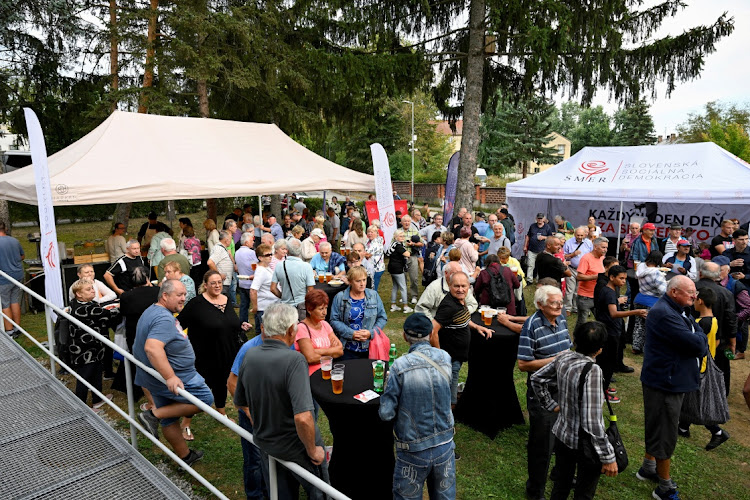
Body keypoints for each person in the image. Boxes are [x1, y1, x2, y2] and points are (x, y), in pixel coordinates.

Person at [233, 303, 330, 498]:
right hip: (295, 447)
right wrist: (313, 450)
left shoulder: (250, 355)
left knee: (280, 494)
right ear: (290, 331)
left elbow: (240, 401)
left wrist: (261, 423)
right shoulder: (294, 360)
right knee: (320, 492)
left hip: (266, 444)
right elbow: (303, 418)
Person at [637, 276, 707, 500]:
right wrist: (699, 338)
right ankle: (664, 487)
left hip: (669, 378)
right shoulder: (665, 313)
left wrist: (698, 336)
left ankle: (648, 467)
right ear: (674, 292)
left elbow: (697, 334)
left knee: (659, 424)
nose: (694, 296)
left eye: (694, 291)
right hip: (665, 382)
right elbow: (698, 344)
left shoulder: (678, 308)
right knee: (665, 431)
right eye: (690, 292)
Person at [530, 321, 617, 499]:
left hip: (562, 434)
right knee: (584, 492)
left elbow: (537, 378)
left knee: (561, 485)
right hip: (584, 444)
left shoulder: (564, 356)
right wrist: (608, 456)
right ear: (600, 349)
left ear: (575, 341)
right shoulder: (593, 371)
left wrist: (551, 404)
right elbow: (592, 421)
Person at [135, 280, 213, 466]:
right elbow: (152, 348)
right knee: (205, 400)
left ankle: (186, 457)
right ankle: (152, 415)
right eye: (179, 295)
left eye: (185, 294)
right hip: (175, 378)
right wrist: (170, 376)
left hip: (156, 378)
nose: (183, 298)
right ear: (165, 296)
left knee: (169, 416)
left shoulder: (153, 310)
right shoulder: (163, 318)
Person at [379, 313, 456, 500]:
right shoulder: (445, 358)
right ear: (431, 334)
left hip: (413, 449)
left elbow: (386, 413)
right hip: (445, 445)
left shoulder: (399, 366)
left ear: (405, 337)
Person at [176, 270, 251, 439]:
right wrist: (181, 343)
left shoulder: (226, 299)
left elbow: (228, 322)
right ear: (205, 285)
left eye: (219, 282)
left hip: (228, 351)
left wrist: (240, 325)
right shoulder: (196, 303)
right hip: (205, 354)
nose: (217, 286)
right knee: (200, 388)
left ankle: (221, 412)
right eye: (213, 283)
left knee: (223, 382)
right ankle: (185, 423)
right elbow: (178, 324)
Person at [517, 285, 572, 500]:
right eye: (554, 303)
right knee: (542, 445)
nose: (560, 306)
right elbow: (523, 364)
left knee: (564, 438)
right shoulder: (531, 326)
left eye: (561, 301)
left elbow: (567, 347)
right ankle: (535, 491)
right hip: (543, 393)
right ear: (540, 305)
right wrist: (556, 360)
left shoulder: (561, 318)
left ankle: (559, 474)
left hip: (563, 387)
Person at [677, 287, 730, 450]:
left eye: (695, 298)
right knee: (689, 398)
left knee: (697, 402)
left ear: (700, 301)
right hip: (706, 362)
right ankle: (683, 427)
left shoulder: (700, 323)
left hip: (699, 366)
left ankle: (718, 432)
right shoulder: (713, 320)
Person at [430, 271, 493, 409]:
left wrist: (477, 327)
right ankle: (448, 418)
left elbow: (462, 318)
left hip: (457, 355)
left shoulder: (459, 300)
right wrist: (439, 356)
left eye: (463, 286)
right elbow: (432, 331)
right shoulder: (449, 306)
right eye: (456, 286)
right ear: (449, 286)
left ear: (469, 286)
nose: (460, 289)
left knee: (451, 383)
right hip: (450, 357)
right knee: (449, 388)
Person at [594, 265, 647, 401]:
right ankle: (602, 392)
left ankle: (603, 387)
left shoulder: (611, 290)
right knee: (607, 362)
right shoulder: (609, 292)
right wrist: (635, 312)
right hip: (609, 332)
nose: (623, 281)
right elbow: (614, 313)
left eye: (625, 279)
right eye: (621, 278)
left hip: (612, 330)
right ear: (612, 277)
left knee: (607, 361)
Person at [68, 279, 121, 409]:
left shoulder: (80, 304)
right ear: (79, 294)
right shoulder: (85, 308)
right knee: (85, 376)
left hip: (94, 348)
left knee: (97, 371)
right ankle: (81, 405)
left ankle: (97, 398)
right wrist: (121, 305)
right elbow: (109, 314)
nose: (93, 291)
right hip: (85, 350)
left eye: (92, 288)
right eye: (88, 289)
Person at [116, 266, 159, 404]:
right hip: (155, 332)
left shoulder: (126, 296)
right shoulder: (157, 291)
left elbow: (123, 312)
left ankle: (139, 389)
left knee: (138, 363)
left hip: (135, 334)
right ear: (147, 278)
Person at [694, 261, 736, 396]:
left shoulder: (691, 288)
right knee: (720, 368)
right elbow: (731, 319)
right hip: (719, 340)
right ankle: (720, 394)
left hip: (693, 337)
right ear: (718, 276)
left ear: (700, 273)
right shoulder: (726, 293)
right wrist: (732, 342)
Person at [330, 266, 387, 360]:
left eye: (364, 280)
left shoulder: (373, 295)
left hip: (370, 347)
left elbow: (382, 318)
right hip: (347, 348)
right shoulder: (340, 297)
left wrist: (371, 332)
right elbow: (334, 320)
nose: (362, 284)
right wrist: (351, 333)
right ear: (350, 281)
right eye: (358, 281)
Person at [295, 289, 343, 374]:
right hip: (311, 375)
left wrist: (317, 351)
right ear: (310, 310)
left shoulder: (325, 324)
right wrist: (331, 351)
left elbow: (340, 351)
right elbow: (310, 358)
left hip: (328, 372)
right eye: (321, 309)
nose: (325, 312)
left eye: (326, 308)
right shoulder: (302, 328)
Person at [632, 251, 668, 354]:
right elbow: (663, 290)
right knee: (651, 326)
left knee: (639, 325)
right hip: (652, 302)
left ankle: (636, 346)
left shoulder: (641, 267)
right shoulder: (656, 273)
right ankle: (647, 348)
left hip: (639, 298)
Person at [271, 238, 315, 319]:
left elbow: (273, 288)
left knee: (286, 330)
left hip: (285, 306)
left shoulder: (279, 265)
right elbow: (310, 291)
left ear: (287, 250)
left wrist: (283, 296)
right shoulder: (306, 266)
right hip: (302, 306)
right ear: (300, 250)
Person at [575, 237, 609, 329]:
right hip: (585, 296)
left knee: (601, 319)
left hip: (598, 295)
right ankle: (577, 340)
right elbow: (579, 276)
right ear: (595, 247)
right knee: (582, 322)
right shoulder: (586, 258)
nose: (605, 250)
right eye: (603, 247)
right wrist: (596, 277)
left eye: (606, 247)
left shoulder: (603, 258)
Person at [562, 227, 593, 314]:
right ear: (574, 234)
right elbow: (563, 256)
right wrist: (573, 254)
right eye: (578, 235)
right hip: (571, 269)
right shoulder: (569, 242)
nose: (579, 237)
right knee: (570, 289)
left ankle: (576, 308)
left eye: (581, 235)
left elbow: (592, 255)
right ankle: (567, 308)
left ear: (585, 235)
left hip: (583, 270)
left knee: (579, 290)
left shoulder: (588, 243)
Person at [524, 213, 554, 283]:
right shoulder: (532, 226)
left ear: (544, 219)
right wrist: (525, 246)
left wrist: (544, 237)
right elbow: (528, 236)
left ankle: (539, 280)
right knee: (530, 265)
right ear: (536, 218)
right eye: (538, 218)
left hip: (542, 250)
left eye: (541, 218)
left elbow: (550, 237)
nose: (540, 220)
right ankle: (529, 280)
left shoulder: (547, 227)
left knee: (540, 266)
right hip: (532, 249)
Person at [400, 215, 424, 304]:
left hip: (412, 256)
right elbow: (393, 243)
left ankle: (414, 295)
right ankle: (404, 295)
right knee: (403, 278)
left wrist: (413, 244)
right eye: (405, 221)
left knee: (414, 277)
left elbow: (422, 243)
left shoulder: (415, 231)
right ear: (401, 222)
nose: (407, 223)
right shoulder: (398, 232)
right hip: (401, 257)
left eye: (408, 221)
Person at [236, 232, 258, 323]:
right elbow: (255, 266)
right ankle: (257, 325)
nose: (253, 242)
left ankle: (242, 323)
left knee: (243, 305)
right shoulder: (251, 253)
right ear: (246, 242)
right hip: (251, 283)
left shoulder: (237, 252)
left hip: (242, 282)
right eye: (251, 241)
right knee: (255, 306)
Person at [207, 230, 235, 300]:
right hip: (221, 283)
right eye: (230, 239)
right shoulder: (219, 249)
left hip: (224, 282)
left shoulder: (222, 248)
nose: (231, 241)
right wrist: (218, 275)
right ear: (226, 240)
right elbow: (210, 262)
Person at [363, 225, 385, 291]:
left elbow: (368, 254)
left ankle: (374, 300)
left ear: (376, 233)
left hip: (376, 268)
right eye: (368, 232)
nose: (369, 234)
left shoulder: (377, 242)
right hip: (369, 268)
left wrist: (360, 252)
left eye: (372, 232)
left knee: (373, 288)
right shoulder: (368, 241)